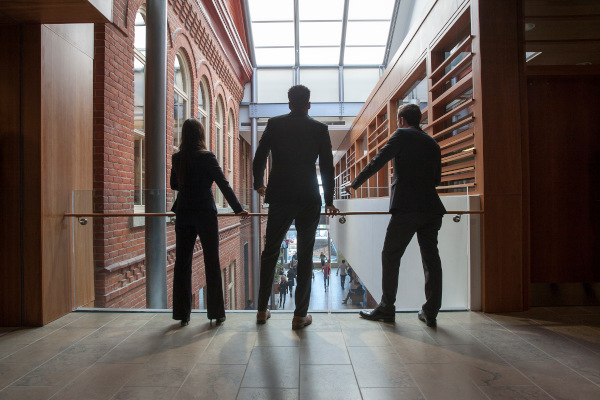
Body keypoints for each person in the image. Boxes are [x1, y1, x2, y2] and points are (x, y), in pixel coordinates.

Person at [345, 103, 445, 326]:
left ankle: (387, 308)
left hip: (407, 206)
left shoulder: (401, 135)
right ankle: (431, 311)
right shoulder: (432, 143)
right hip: (432, 208)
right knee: (431, 260)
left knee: (390, 256)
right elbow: (437, 179)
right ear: (418, 119)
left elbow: (377, 161)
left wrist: (354, 184)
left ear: (401, 120)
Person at [253, 85, 339, 330]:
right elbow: (327, 168)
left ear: (289, 103)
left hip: (279, 195)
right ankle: (300, 316)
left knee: (270, 252)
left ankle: (261, 310)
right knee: (304, 254)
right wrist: (330, 199)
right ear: (308, 104)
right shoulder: (319, 129)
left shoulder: (275, 124)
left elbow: (260, 156)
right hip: (308, 196)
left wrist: (259, 184)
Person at [170, 119, 249, 327]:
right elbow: (223, 184)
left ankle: (182, 314)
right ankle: (216, 313)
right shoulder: (207, 157)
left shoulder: (177, 157)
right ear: (201, 135)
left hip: (184, 212)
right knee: (211, 261)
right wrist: (238, 208)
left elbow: (173, 185)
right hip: (205, 212)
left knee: (182, 263)